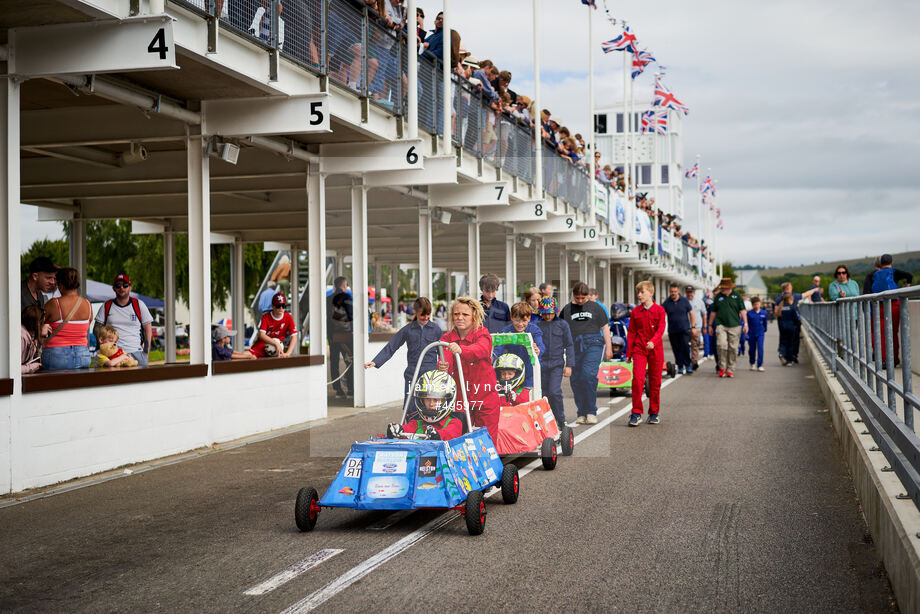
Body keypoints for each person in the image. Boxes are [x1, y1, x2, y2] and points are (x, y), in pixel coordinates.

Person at [438, 296, 501, 440]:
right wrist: (443, 367)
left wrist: (461, 349)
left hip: (485, 396)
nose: (460, 317)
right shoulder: (447, 338)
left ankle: (489, 462)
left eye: (465, 314)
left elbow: (482, 349)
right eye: (456, 314)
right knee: (458, 438)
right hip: (460, 398)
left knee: (486, 440)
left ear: (474, 316)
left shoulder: (482, 333)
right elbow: (445, 361)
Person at [365, 296, 442, 403]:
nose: (426, 317)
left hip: (431, 374)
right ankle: (408, 420)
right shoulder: (408, 329)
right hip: (412, 372)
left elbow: (443, 353)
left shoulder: (436, 330)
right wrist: (375, 361)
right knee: (410, 405)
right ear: (415, 312)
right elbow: (392, 346)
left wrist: (444, 370)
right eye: (422, 315)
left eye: (428, 314)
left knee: (430, 405)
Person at [560, 282, 614, 424]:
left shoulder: (596, 307)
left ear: (588, 296)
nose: (580, 301)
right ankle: (581, 412)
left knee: (588, 375)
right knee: (576, 379)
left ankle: (591, 411)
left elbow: (605, 328)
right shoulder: (567, 309)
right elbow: (560, 330)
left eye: (583, 298)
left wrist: (609, 347)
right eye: (577, 298)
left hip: (593, 344)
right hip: (574, 345)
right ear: (573, 296)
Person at [626, 280, 666, 426]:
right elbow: (631, 332)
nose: (639, 295)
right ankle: (636, 413)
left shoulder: (660, 310)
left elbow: (661, 329)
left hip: (656, 350)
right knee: (637, 380)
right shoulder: (636, 312)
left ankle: (654, 413)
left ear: (651, 293)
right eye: (638, 292)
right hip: (639, 349)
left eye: (642, 292)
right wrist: (628, 353)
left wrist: (654, 341)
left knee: (655, 382)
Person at [93, 274, 154, 367]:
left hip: (136, 352)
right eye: (118, 285)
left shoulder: (139, 305)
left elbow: (148, 329)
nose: (121, 288)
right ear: (114, 288)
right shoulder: (107, 306)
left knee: (141, 381)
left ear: (130, 287)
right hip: (113, 354)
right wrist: (105, 345)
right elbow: (96, 328)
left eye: (125, 285)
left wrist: (146, 352)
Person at [386, 370, 463, 441]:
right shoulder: (417, 422)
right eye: (427, 399)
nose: (431, 404)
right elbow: (407, 429)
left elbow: (448, 434)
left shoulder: (454, 423)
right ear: (421, 400)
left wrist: (437, 435)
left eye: (436, 400)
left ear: (446, 401)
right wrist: (397, 429)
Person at [41, 267, 92, 371]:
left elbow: (37, 325)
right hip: (83, 354)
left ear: (60, 285)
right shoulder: (88, 305)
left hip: (56, 354)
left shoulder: (54, 304)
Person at [536, 297, 574, 428]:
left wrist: (569, 365)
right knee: (543, 394)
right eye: (545, 313)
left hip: (557, 364)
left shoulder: (563, 324)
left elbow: (569, 344)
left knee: (554, 392)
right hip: (540, 365)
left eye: (550, 313)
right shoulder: (537, 325)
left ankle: (561, 419)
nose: (547, 316)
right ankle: (546, 420)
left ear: (555, 311)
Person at [871, 253, 913, 364]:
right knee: (893, 332)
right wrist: (907, 286)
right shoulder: (895, 272)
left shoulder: (875, 274)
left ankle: (885, 359)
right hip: (894, 305)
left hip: (879, 306)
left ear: (880, 263)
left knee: (882, 334)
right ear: (891, 262)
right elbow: (909, 276)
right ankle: (894, 359)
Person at [494, 301, 544, 390]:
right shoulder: (505, 332)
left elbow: (540, 345)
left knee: (529, 395)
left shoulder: (534, 330)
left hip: (530, 372)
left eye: (524, 320)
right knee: (511, 396)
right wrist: (492, 357)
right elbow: (498, 349)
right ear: (511, 317)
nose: (520, 324)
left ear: (529, 318)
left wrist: (538, 349)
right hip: (512, 372)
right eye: (517, 320)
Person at [708, 278, 748, 378]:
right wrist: (709, 325)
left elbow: (742, 310)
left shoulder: (737, 296)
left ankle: (730, 369)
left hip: (735, 325)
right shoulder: (718, 297)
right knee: (721, 345)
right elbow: (713, 312)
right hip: (721, 325)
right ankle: (722, 367)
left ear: (729, 288)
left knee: (733, 348)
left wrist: (746, 324)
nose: (722, 289)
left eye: (724, 288)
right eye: (721, 288)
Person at [327, 276, 354, 398]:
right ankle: (351, 389)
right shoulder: (347, 298)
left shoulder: (328, 299)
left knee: (334, 361)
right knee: (349, 360)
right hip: (345, 335)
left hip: (332, 335)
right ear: (344, 286)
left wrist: (330, 334)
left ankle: (338, 390)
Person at [249, 293, 298, 358]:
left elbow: (294, 336)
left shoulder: (288, 317)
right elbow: (261, 335)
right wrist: (275, 343)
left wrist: (288, 353)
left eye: (283, 306)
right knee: (247, 355)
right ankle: (231, 353)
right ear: (272, 306)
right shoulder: (266, 317)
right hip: (261, 345)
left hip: (276, 350)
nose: (281, 308)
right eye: (278, 306)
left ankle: (231, 353)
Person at [661, 283, 694, 375]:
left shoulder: (684, 301)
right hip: (673, 331)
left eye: (675, 291)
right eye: (671, 291)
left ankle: (687, 365)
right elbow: (660, 314)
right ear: (669, 291)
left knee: (685, 347)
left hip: (684, 329)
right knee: (676, 349)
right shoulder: (666, 303)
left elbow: (691, 313)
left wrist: (693, 327)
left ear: (678, 291)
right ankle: (680, 366)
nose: (673, 293)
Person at [21, 305, 47, 374]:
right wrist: (32, 367)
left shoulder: (31, 335)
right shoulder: (22, 337)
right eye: (42, 323)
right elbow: (14, 368)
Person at [775, 293, 800, 366]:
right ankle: (789, 361)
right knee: (790, 344)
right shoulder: (792, 308)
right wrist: (796, 325)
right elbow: (796, 318)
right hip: (791, 328)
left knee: (783, 342)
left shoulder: (780, 308)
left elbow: (779, 320)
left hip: (783, 328)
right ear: (789, 300)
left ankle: (782, 353)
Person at [686, 285, 706, 367]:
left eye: (691, 292)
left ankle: (694, 361)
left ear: (693, 292)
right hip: (685, 327)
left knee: (695, 345)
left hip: (697, 327)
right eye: (688, 292)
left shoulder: (699, 302)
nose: (689, 294)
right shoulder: (683, 301)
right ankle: (687, 361)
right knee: (685, 345)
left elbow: (704, 314)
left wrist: (705, 326)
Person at [747, 297, 768, 371]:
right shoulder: (749, 313)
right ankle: (752, 363)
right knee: (752, 349)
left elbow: (765, 323)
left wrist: (764, 330)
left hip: (760, 333)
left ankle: (760, 365)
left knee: (760, 348)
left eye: (758, 304)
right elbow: (747, 324)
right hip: (751, 334)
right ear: (753, 305)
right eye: (755, 304)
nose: (757, 306)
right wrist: (747, 333)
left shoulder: (764, 313)